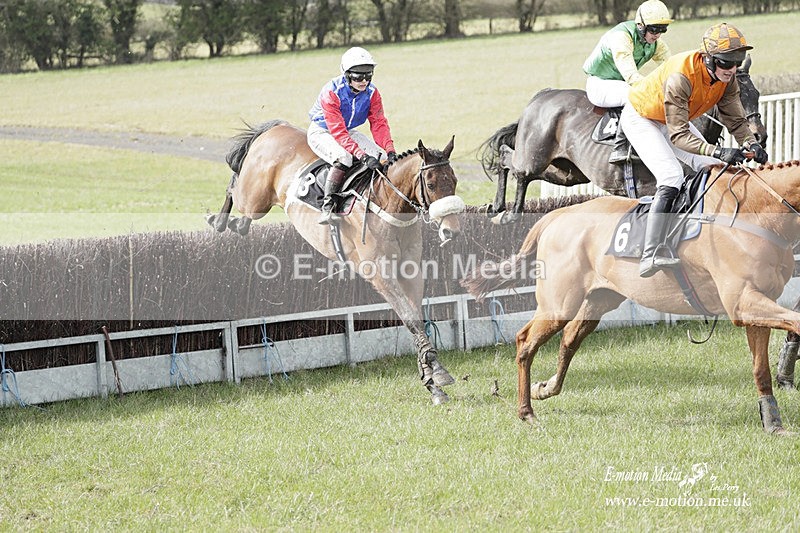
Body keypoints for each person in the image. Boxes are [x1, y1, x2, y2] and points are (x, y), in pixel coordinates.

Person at [619, 22, 769, 278]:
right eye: (725, 62)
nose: (731, 69)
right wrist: (719, 151)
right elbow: (678, 136)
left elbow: (735, 120)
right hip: (642, 117)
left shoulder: (727, 78)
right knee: (672, 176)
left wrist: (750, 143)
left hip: (670, 117)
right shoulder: (682, 76)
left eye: (736, 61)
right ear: (708, 58)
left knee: (714, 169)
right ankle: (651, 251)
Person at [308, 46, 397, 225]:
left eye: (368, 75)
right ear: (347, 74)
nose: (364, 81)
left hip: (347, 130)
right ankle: (329, 204)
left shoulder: (372, 93)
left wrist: (390, 150)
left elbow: (379, 123)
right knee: (344, 157)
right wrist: (363, 156)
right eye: (358, 76)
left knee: (381, 156)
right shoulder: (331, 92)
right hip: (322, 131)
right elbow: (338, 132)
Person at [583, 0, 672, 163]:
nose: (658, 34)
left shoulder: (656, 43)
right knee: (634, 94)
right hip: (599, 84)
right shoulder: (621, 36)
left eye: (662, 29)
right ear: (641, 25)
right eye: (654, 29)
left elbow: (672, 68)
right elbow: (631, 75)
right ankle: (620, 146)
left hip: (618, 84)